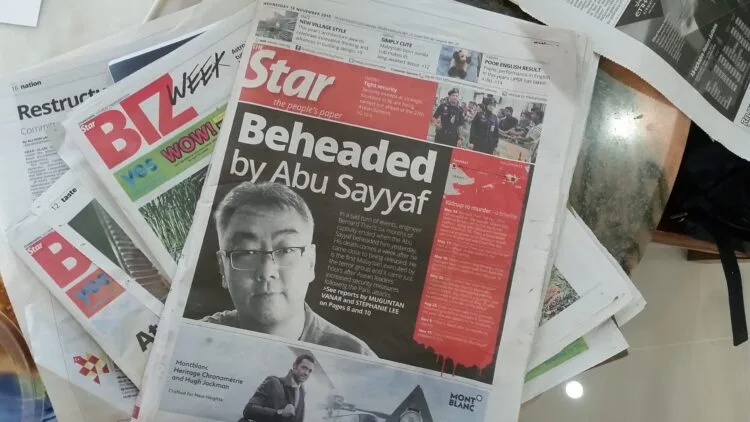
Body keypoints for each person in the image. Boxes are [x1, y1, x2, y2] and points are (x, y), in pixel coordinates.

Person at [204, 182, 375, 356]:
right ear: (222, 267)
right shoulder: (196, 339)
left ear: (310, 263)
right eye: (248, 252)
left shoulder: (356, 356)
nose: (267, 272)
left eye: (286, 250)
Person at [241, 354, 315, 422]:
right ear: (294, 366)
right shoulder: (273, 382)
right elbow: (248, 410)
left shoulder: (302, 393)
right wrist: (280, 412)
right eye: (304, 368)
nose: (306, 373)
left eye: (310, 371)